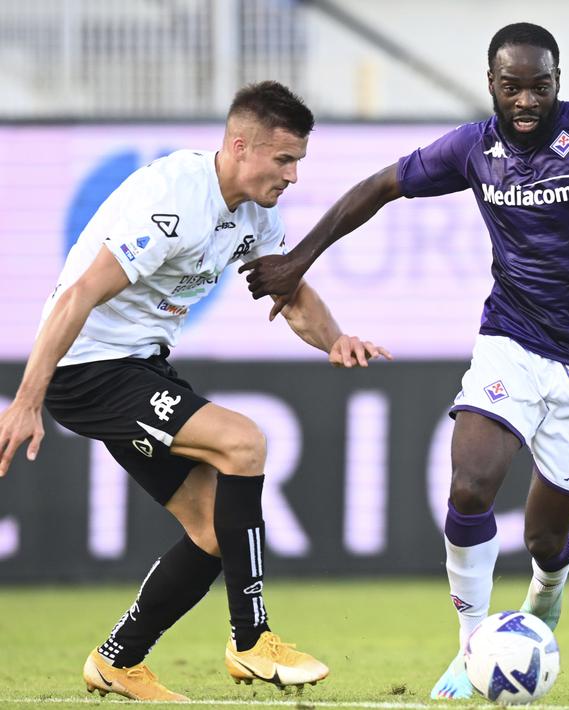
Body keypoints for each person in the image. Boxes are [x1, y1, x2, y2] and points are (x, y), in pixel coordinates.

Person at [239, 22, 569, 700]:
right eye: (512, 87)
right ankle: (471, 646)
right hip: (510, 339)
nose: (526, 101)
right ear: (491, 83)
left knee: (545, 538)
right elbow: (380, 185)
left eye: (539, 86)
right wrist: (298, 260)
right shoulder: (472, 147)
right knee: (469, 487)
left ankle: (547, 591)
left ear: (557, 82)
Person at [0, 81, 390, 701]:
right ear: (240, 146)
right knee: (244, 441)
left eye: (297, 162)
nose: (292, 175)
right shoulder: (173, 198)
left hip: (141, 366)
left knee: (212, 529)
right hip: (88, 369)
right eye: (283, 160)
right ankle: (251, 639)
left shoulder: (256, 214)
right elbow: (77, 295)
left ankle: (118, 660)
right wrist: (27, 399)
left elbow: (288, 292)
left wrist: (336, 339)